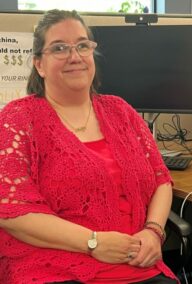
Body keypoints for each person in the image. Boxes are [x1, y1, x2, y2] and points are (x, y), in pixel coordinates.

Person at [0, 9, 177, 284]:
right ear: (39, 64)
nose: (75, 56)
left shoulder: (121, 111)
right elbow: (12, 211)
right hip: (52, 266)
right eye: (59, 48)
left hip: (136, 262)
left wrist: (154, 231)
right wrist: (93, 243)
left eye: (82, 45)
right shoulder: (18, 119)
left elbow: (161, 180)